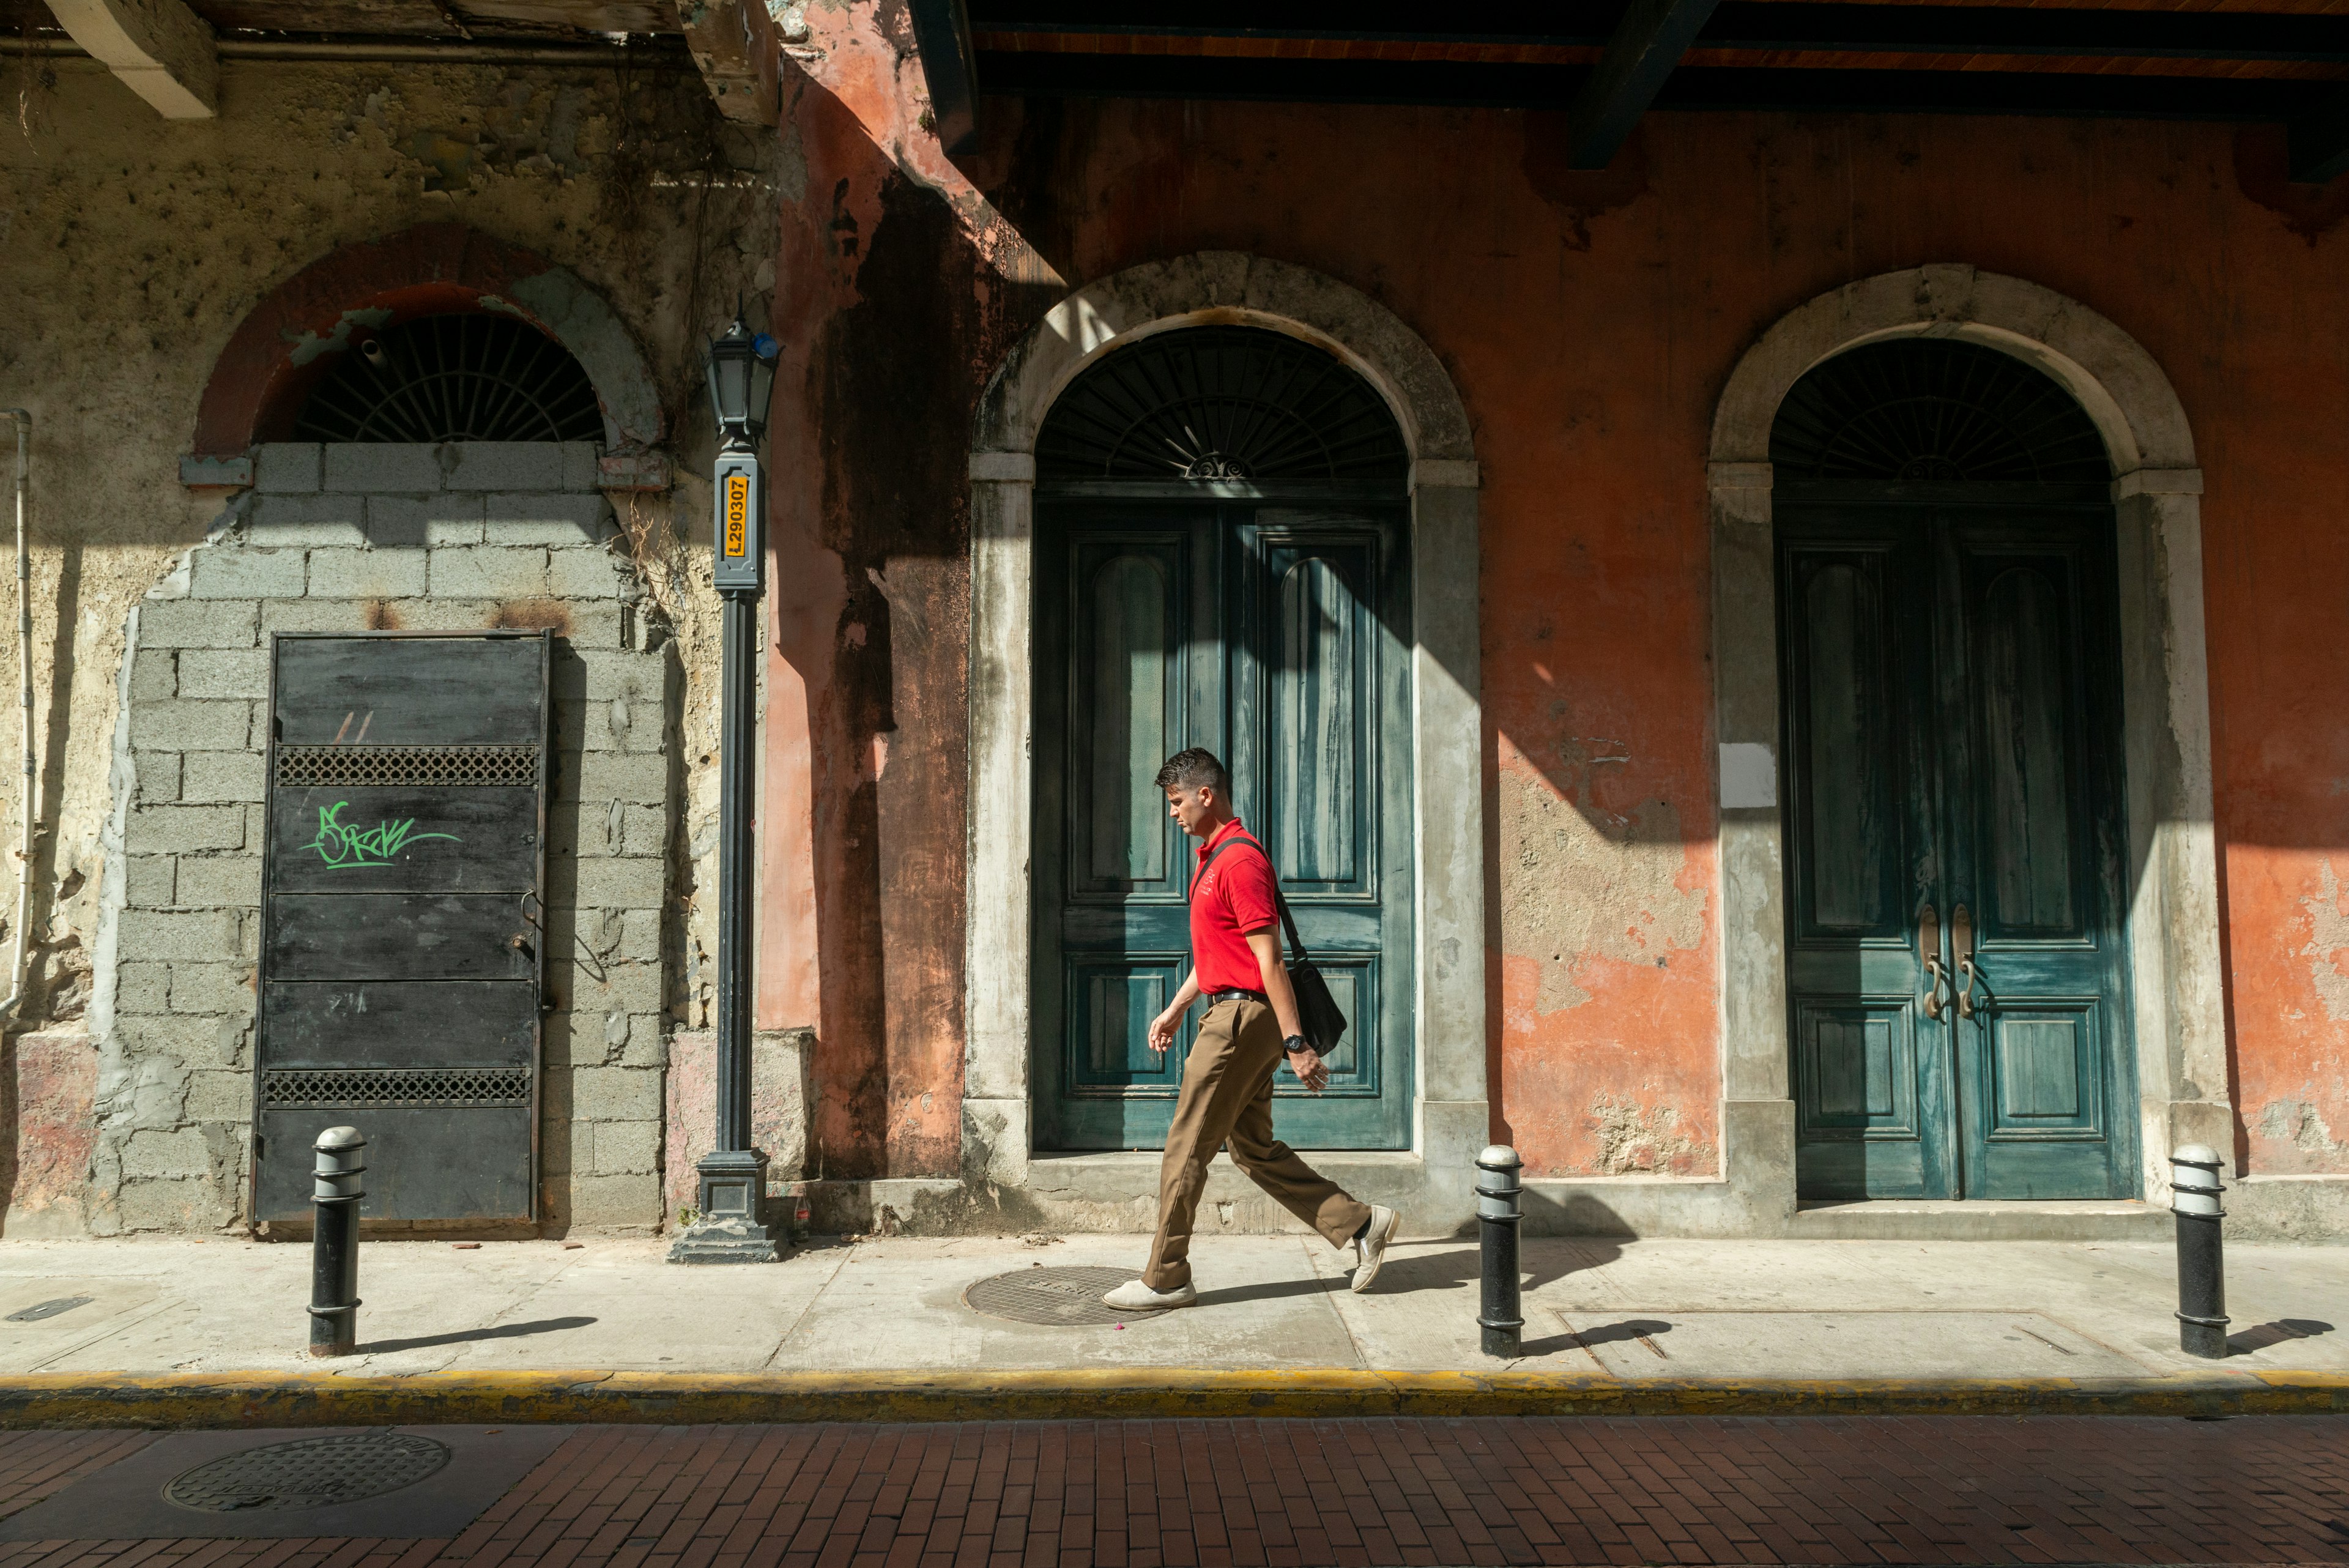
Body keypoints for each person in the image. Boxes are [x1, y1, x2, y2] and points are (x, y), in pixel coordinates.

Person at [1102, 748, 1400, 1310]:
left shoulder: (1239, 862)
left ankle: (1165, 1277)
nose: (1173, 814)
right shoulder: (1211, 859)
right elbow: (1220, 955)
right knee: (1252, 1148)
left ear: (1205, 794)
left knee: (1186, 1145)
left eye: (1176, 801)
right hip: (1232, 1010)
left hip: (1243, 1020)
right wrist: (1176, 1008)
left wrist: (1296, 1043)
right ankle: (1361, 1224)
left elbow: (1268, 959)